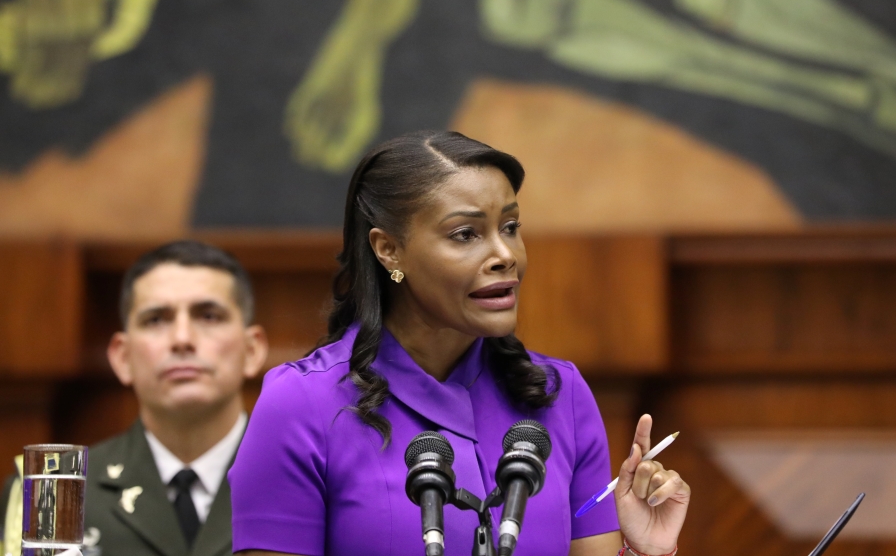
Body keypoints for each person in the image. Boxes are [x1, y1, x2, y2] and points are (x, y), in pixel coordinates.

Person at [228, 131, 690, 556]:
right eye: (466, 234)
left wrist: (648, 552)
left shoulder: (560, 395)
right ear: (388, 249)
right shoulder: (301, 403)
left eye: (510, 227)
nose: (505, 255)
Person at [0, 241, 269, 556]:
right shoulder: (53, 491)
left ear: (252, 351)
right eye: (156, 319)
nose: (182, 339)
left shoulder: (309, 485)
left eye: (208, 316)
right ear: (122, 357)